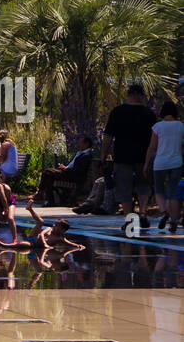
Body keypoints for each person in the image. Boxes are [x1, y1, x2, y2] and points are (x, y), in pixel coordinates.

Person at [100, 83, 156, 216]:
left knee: (124, 187)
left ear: (128, 95)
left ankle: (128, 216)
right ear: (141, 96)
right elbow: (155, 137)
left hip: (122, 156)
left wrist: (103, 153)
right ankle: (142, 212)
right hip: (143, 157)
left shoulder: (117, 112)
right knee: (143, 185)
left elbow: (108, 136)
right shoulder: (149, 114)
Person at [144, 100, 182, 234]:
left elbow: (151, 147)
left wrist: (146, 164)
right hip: (176, 162)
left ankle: (164, 212)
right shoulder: (180, 126)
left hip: (160, 163)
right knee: (173, 193)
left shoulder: (157, 126)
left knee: (159, 190)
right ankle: (174, 222)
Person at [36, 135, 95, 206]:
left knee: (48, 171)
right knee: (48, 176)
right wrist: (65, 168)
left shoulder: (86, 155)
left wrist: (66, 169)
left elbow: (79, 170)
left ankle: (41, 194)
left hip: (73, 176)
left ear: (86, 144)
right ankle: (50, 201)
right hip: (68, 172)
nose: (78, 144)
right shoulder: (81, 153)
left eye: (80, 142)